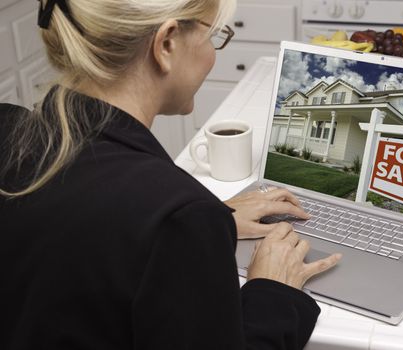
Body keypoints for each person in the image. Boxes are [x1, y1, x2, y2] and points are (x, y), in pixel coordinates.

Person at [0, 0, 341, 349]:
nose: (212, 54)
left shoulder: (8, 128)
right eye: (213, 37)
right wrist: (274, 290)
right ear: (166, 44)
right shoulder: (178, 215)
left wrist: (197, 225)